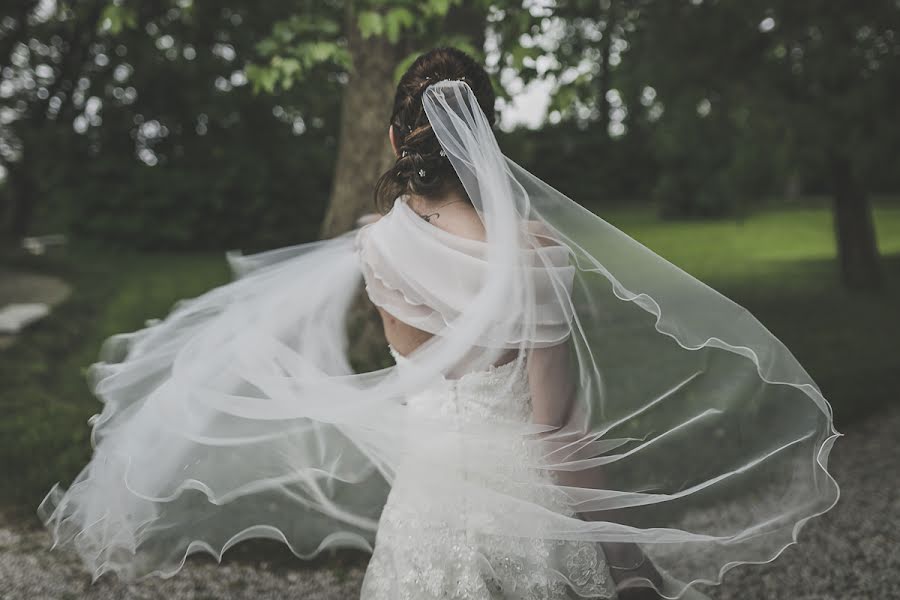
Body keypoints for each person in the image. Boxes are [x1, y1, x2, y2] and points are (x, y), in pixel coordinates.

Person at [39, 48, 839, 600]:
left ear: (395, 139)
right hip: (523, 519)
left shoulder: (375, 249)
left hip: (422, 511)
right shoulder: (532, 256)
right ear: (484, 139)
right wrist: (626, 564)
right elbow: (561, 431)